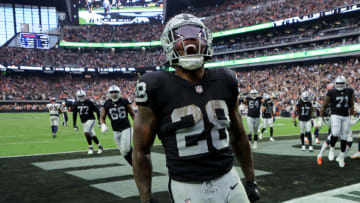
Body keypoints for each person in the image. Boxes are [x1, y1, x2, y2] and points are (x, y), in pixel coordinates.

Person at [132, 14, 260, 203]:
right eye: (181, 35)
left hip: (229, 178)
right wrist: (146, 198)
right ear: (169, 44)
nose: (189, 40)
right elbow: (141, 150)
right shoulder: (154, 85)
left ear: (206, 40)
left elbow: (239, 135)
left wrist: (250, 181)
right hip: (187, 186)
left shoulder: (225, 79)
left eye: (195, 34)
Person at [320, 76, 355, 168]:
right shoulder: (331, 92)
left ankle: (342, 156)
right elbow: (325, 105)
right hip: (335, 114)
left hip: (346, 116)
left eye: (341, 84)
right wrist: (321, 116)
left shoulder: (349, 91)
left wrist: (351, 115)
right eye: (338, 84)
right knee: (335, 133)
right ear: (335, 84)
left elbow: (351, 104)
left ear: (345, 84)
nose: (339, 85)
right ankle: (332, 149)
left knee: (344, 137)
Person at [100, 85, 135, 165]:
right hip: (115, 131)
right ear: (109, 93)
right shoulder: (106, 103)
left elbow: (132, 114)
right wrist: (103, 124)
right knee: (123, 152)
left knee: (126, 149)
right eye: (112, 92)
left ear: (119, 92)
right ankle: (135, 165)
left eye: (115, 92)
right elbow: (102, 117)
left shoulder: (124, 101)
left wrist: (136, 124)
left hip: (126, 128)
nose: (114, 94)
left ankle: (137, 164)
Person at [72, 90, 104, 155]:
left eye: (82, 96)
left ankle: (90, 147)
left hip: (91, 119)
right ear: (77, 96)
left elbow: (97, 111)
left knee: (86, 132)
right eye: (80, 96)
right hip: (83, 121)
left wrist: (99, 121)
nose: (81, 97)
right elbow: (74, 114)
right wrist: (74, 124)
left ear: (85, 96)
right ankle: (100, 146)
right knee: (92, 134)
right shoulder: (76, 103)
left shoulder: (89, 102)